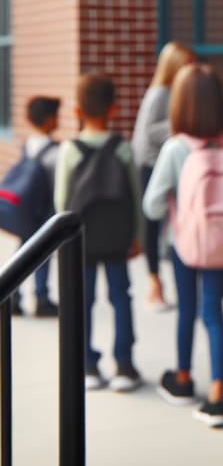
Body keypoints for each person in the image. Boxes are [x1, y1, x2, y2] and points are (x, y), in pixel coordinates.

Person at [143, 63, 223, 428]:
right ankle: (218, 395)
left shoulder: (174, 149)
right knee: (214, 314)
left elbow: (151, 205)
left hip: (184, 244)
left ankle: (183, 378)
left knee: (187, 309)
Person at [54, 72, 142, 392]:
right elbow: (134, 195)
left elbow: (62, 201)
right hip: (118, 238)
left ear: (77, 111)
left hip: (81, 240)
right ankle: (124, 364)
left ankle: (88, 365)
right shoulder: (123, 148)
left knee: (83, 300)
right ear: (113, 109)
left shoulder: (69, 150)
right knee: (121, 298)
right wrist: (138, 238)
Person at [132, 40, 196, 310]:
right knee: (152, 224)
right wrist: (180, 126)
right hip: (151, 164)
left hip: (171, 162)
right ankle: (154, 283)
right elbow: (148, 132)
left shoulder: (177, 91)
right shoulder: (159, 93)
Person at [12, 96, 61, 317]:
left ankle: (13, 295)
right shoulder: (55, 151)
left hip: (26, 209)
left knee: (22, 251)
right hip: (44, 211)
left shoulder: (27, 145)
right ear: (50, 120)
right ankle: (41, 297)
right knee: (42, 255)